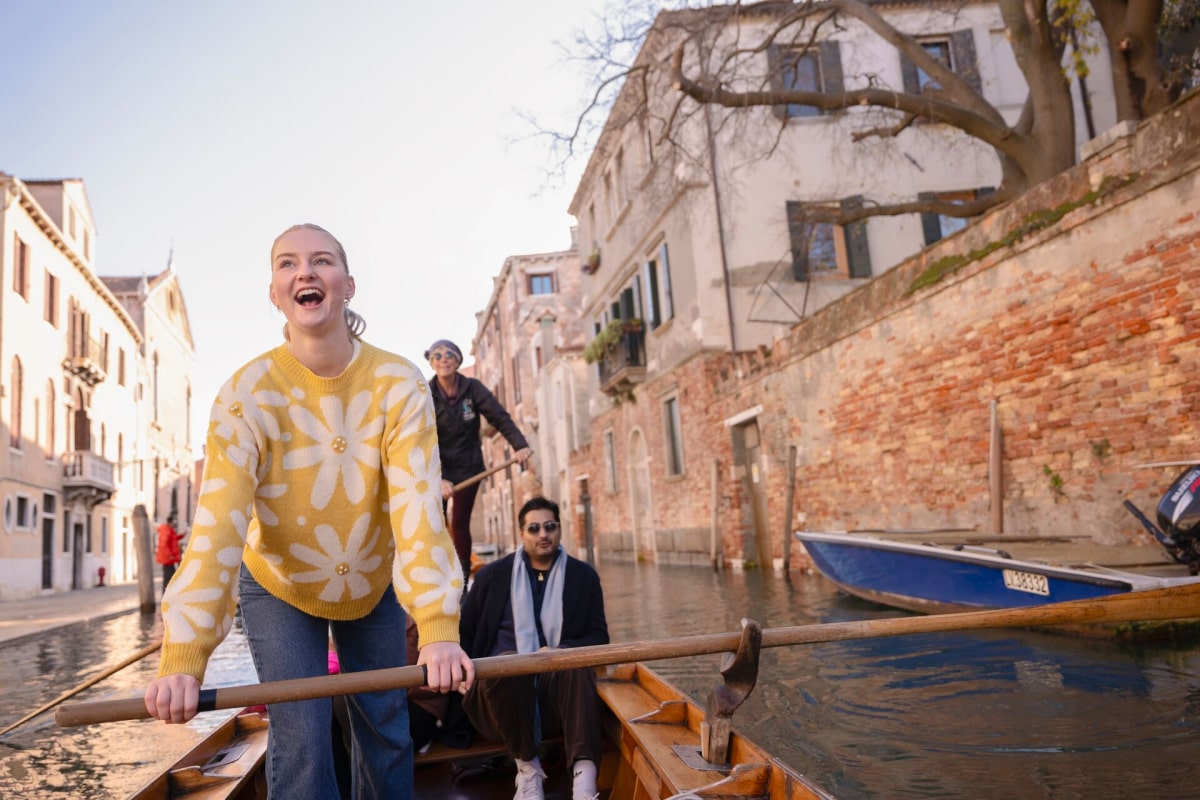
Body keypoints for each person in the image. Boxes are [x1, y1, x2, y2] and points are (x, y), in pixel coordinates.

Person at [143, 223, 474, 800]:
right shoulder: (244, 394)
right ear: (275, 293)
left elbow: (417, 510)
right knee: (302, 737)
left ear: (348, 285)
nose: (305, 272)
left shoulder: (399, 383)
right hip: (278, 582)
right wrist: (184, 655)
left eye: (321, 261)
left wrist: (438, 628)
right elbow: (217, 527)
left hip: (371, 576)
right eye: (287, 263)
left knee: (385, 727)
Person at [460, 497, 609, 800]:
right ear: (521, 533)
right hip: (498, 702)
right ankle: (528, 771)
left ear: (559, 529)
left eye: (550, 526)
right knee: (507, 663)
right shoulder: (490, 577)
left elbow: (599, 637)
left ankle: (584, 783)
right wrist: (461, 672)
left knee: (573, 661)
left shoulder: (584, 577)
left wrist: (559, 650)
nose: (543, 534)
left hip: (556, 698)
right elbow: (463, 637)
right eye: (534, 528)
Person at [425, 338, 532, 580]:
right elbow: (422, 439)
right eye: (437, 356)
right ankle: (438, 579)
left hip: (469, 467)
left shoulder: (472, 388)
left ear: (458, 361)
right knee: (436, 525)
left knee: (460, 523)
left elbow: (499, 416)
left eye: (449, 355)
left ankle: (462, 583)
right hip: (438, 468)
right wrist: (438, 478)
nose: (443, 360)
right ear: (431, 363)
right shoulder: (426, 394)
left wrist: (520, 445)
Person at [154, 512, 182, 597]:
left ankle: (168, 595)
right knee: (169, 578)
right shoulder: (166, 531)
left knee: (171, 577)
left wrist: (182, 535)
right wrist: (169, 555)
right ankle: (166, 596)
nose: (175, 524)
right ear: (170, 522)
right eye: (174, 522)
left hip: (170, 560)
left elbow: (174, 539)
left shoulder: (170, 530)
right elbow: (163, 544)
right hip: (167, 559)